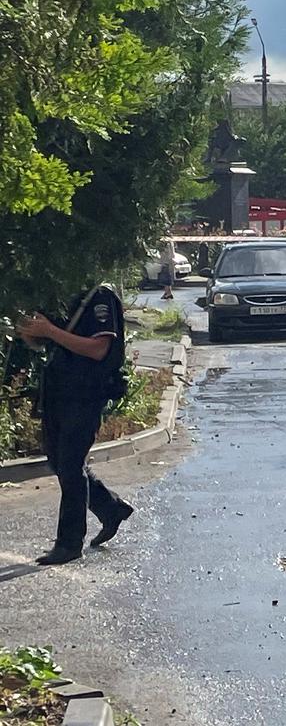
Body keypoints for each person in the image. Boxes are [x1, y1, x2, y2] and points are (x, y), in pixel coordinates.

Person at [15, 285, 134, 566]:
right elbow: (48, 341)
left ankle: (69, 543)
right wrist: (32, 332)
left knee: (69, 465)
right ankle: (110, 509)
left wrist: (50, 331)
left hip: (86, 393)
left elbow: (98, 349)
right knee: (60, 462)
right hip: (58, 392)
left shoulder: (98, 296)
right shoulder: (63, 290)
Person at [158, 233, 176, 301]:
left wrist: (165, 261)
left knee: (166, 279)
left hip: (166, 262)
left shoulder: (165, 242)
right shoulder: (170, 241)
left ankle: (168, 293)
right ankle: (167, 293)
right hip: (169, 262)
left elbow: (168, 253)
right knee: (168, 278)